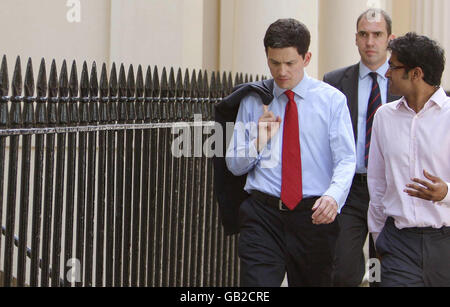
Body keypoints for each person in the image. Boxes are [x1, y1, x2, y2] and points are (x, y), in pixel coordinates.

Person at [225, 18, 356, 287]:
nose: (281, 71)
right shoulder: (253, 100)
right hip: (263, 214)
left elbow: (346, 159)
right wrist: (258, 143)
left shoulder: (332, 101)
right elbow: (234, 165)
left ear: (306, 58)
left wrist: (333, 197)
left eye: (290, 63)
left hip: (314, 216)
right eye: (274, 63)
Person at [368, 32, 450, 287]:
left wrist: (445, 193)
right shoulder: (383, 116)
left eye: (392, 66)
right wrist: (378, 236)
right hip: (398, 243)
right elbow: (377, 182)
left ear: (416, 73)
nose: (386, 73)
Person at [323, 8, 398, 287]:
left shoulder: (402, 83)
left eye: (377, 35)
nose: (370, 42)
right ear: (355, 39)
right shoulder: (334, 82)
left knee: (382, 267)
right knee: (343, 269)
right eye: (364, 35)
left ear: (390, 39)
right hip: (350, 188)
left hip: (390, 188)